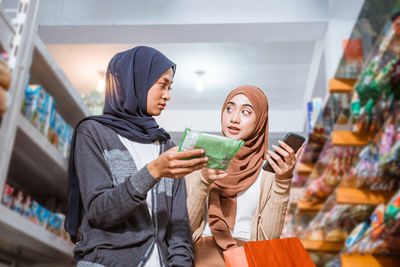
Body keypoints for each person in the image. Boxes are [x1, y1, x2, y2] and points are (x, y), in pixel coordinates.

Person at [65, 46, 208, 266]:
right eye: (162, 85)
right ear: (136, 81)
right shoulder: (94, 132)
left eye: (170, 87)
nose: (168, 95)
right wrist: (154, 171)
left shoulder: (166, 147)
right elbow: (100, 211)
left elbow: (179, 227)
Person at [185, 85, 303, 266]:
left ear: (260, 121)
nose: (234, 118)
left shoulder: (269, 172)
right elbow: (183, 229)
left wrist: (283, 181)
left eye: (246, 112)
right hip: (200, 258)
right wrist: (203, 180)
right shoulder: (199, 161)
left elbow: (267, 240)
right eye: (229, 109)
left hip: (247, 260)